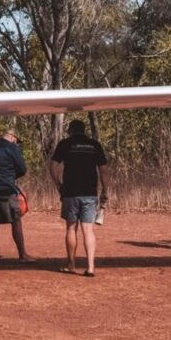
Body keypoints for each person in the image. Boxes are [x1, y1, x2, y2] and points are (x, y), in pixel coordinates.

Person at [49, 118, 109, 276]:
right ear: (84, 131)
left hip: (70, 192)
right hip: (89, 193)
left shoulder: (65, 144)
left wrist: (58, 185)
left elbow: (53, 166)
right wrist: (105, 190)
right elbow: (103, 170)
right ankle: (90, 267)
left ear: (70, 131)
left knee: (71, 228)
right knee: (88, 229)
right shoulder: (94, 145)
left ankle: (71, 265)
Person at [0, 127, 34, 262]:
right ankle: (22, 255)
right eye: (16, 141)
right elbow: (22, 169)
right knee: (16, 221)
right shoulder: (12, 148)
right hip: (8, 190)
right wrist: (10, 176)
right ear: (12, 137)